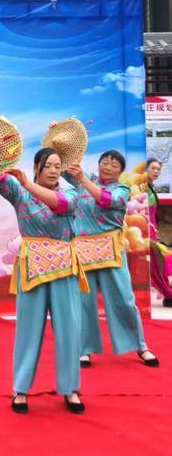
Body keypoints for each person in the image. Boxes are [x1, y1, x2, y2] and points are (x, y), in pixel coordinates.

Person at [0, 148, 87, 414]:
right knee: (28, 330)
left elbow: (60, 205)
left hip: (64, 267)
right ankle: (20, 389)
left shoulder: (70, 193)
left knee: (68, 329)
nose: (54, 170)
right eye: (48, 165)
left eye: (57, 165)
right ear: (36, 167)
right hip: (32, 267)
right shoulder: (19, 192)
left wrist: (26, 183)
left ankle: (70, 389)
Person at [65, 152, 158, 368]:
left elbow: (105, 200)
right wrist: (61, 144)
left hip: (111, 251)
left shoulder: (121, 189)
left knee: (124, 300)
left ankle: (141, 346)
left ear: (120, 171)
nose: (107, 166)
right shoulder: (84, 179)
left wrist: (82, 178)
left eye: (114, 165)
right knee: (83, 302)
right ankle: (84, 349)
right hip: (83, 251)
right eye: (104, 162)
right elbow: (62, 168)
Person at [146, 158, 172, 308]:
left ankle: (168, 294)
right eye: (153, 168)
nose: (156, 171)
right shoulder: (140, 188)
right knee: (157, 264)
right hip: (144, 233)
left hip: (151, 232)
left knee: (158, 264)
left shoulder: (149, 187)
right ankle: (168, 294)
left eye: (158, 169)